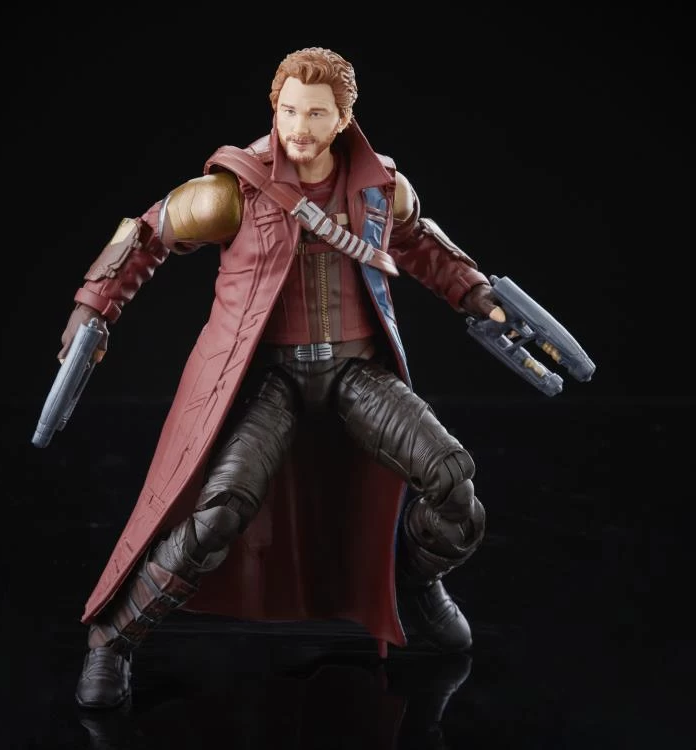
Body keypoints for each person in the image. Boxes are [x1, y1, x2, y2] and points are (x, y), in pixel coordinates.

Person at [60, 47, 505, 711]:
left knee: (454, 484)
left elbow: (418, 242)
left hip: (355, 370)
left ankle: (410, 582)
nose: (299, 126)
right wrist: (95, 307)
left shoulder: (380, 186)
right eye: (289, 110)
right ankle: (114, 639)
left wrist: (476, 293)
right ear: (275, 108)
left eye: (316, 114)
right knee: (218, 513)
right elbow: (148, 234)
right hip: (270, 377)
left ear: (343, 119)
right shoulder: (233, 190)